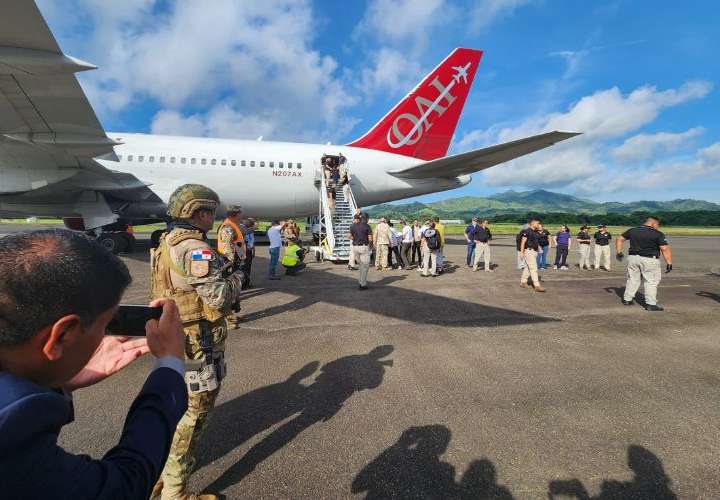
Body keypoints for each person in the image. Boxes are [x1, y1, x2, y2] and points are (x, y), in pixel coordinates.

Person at [0, 229, 187, 499]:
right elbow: (123, 486)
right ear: (62, 335)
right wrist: (169, 366)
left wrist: (57, 381)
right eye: (105, 325)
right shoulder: (13, 429)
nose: (105, 336)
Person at [150, 184, 244, 500]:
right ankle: (175, 492)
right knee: (195, 414)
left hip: (176, 338)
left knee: (179, 409)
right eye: (210, 212)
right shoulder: (196, 249)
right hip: (199, 342)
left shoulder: (167, 241)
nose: (212, 218)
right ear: (199, 213)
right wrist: (235, 278)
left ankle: (165, 476)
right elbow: (218, 298)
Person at [616, 216, 673, 311]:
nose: (658, 227)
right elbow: (664, 248)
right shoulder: (657, 234)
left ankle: (627, 299)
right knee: (651, 281)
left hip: (633, 258)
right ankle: (651, 304)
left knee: (633, 279)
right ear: (653, 223)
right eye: (658, 224)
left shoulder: (632, 230)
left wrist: (619, 252)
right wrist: (669, 263)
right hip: (649, 260)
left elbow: (619, 239)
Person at [217, 204, 245, 324]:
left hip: (233, 262)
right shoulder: (228, 227)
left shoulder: (231, 225)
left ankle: (230, 315)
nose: (241, 215)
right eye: (240, 213)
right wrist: (231, 262)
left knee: (234, 290)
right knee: (229, 290)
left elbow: (236, 244)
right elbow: (227, 246)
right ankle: (227, 319)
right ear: (237, 214)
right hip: (229, 264)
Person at [519, 218, 546, 292]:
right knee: (534, 268)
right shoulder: (527, 231)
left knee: (528, 268)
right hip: (529, 251)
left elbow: (536, 241)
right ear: (533, 223)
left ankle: (523, 282)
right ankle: (537, 286)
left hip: (534, 252)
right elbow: (523, 242)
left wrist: (539, 248)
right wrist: (521, 252)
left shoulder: (535, 232)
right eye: (537, 223)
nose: (538, 225)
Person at [349, 214, 373, 290]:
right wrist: (371, 246)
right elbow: (370, 239)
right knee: (365, 266)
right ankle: (363, 285)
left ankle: (361, 282)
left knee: (361, 266)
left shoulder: (353, 226)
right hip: (364, 247)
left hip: (355, 247)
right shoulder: (367, 226)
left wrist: (356, 238)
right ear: (366, 219)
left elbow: (349, 236)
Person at [241, 218, 256, 289]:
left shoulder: (250, 230)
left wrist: (254, 251)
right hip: (244, 250)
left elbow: (252, 241)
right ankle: (243, 284)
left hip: (249, 250)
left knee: (248, 268)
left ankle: (246, 283)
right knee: (244, 268)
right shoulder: (242, 229)